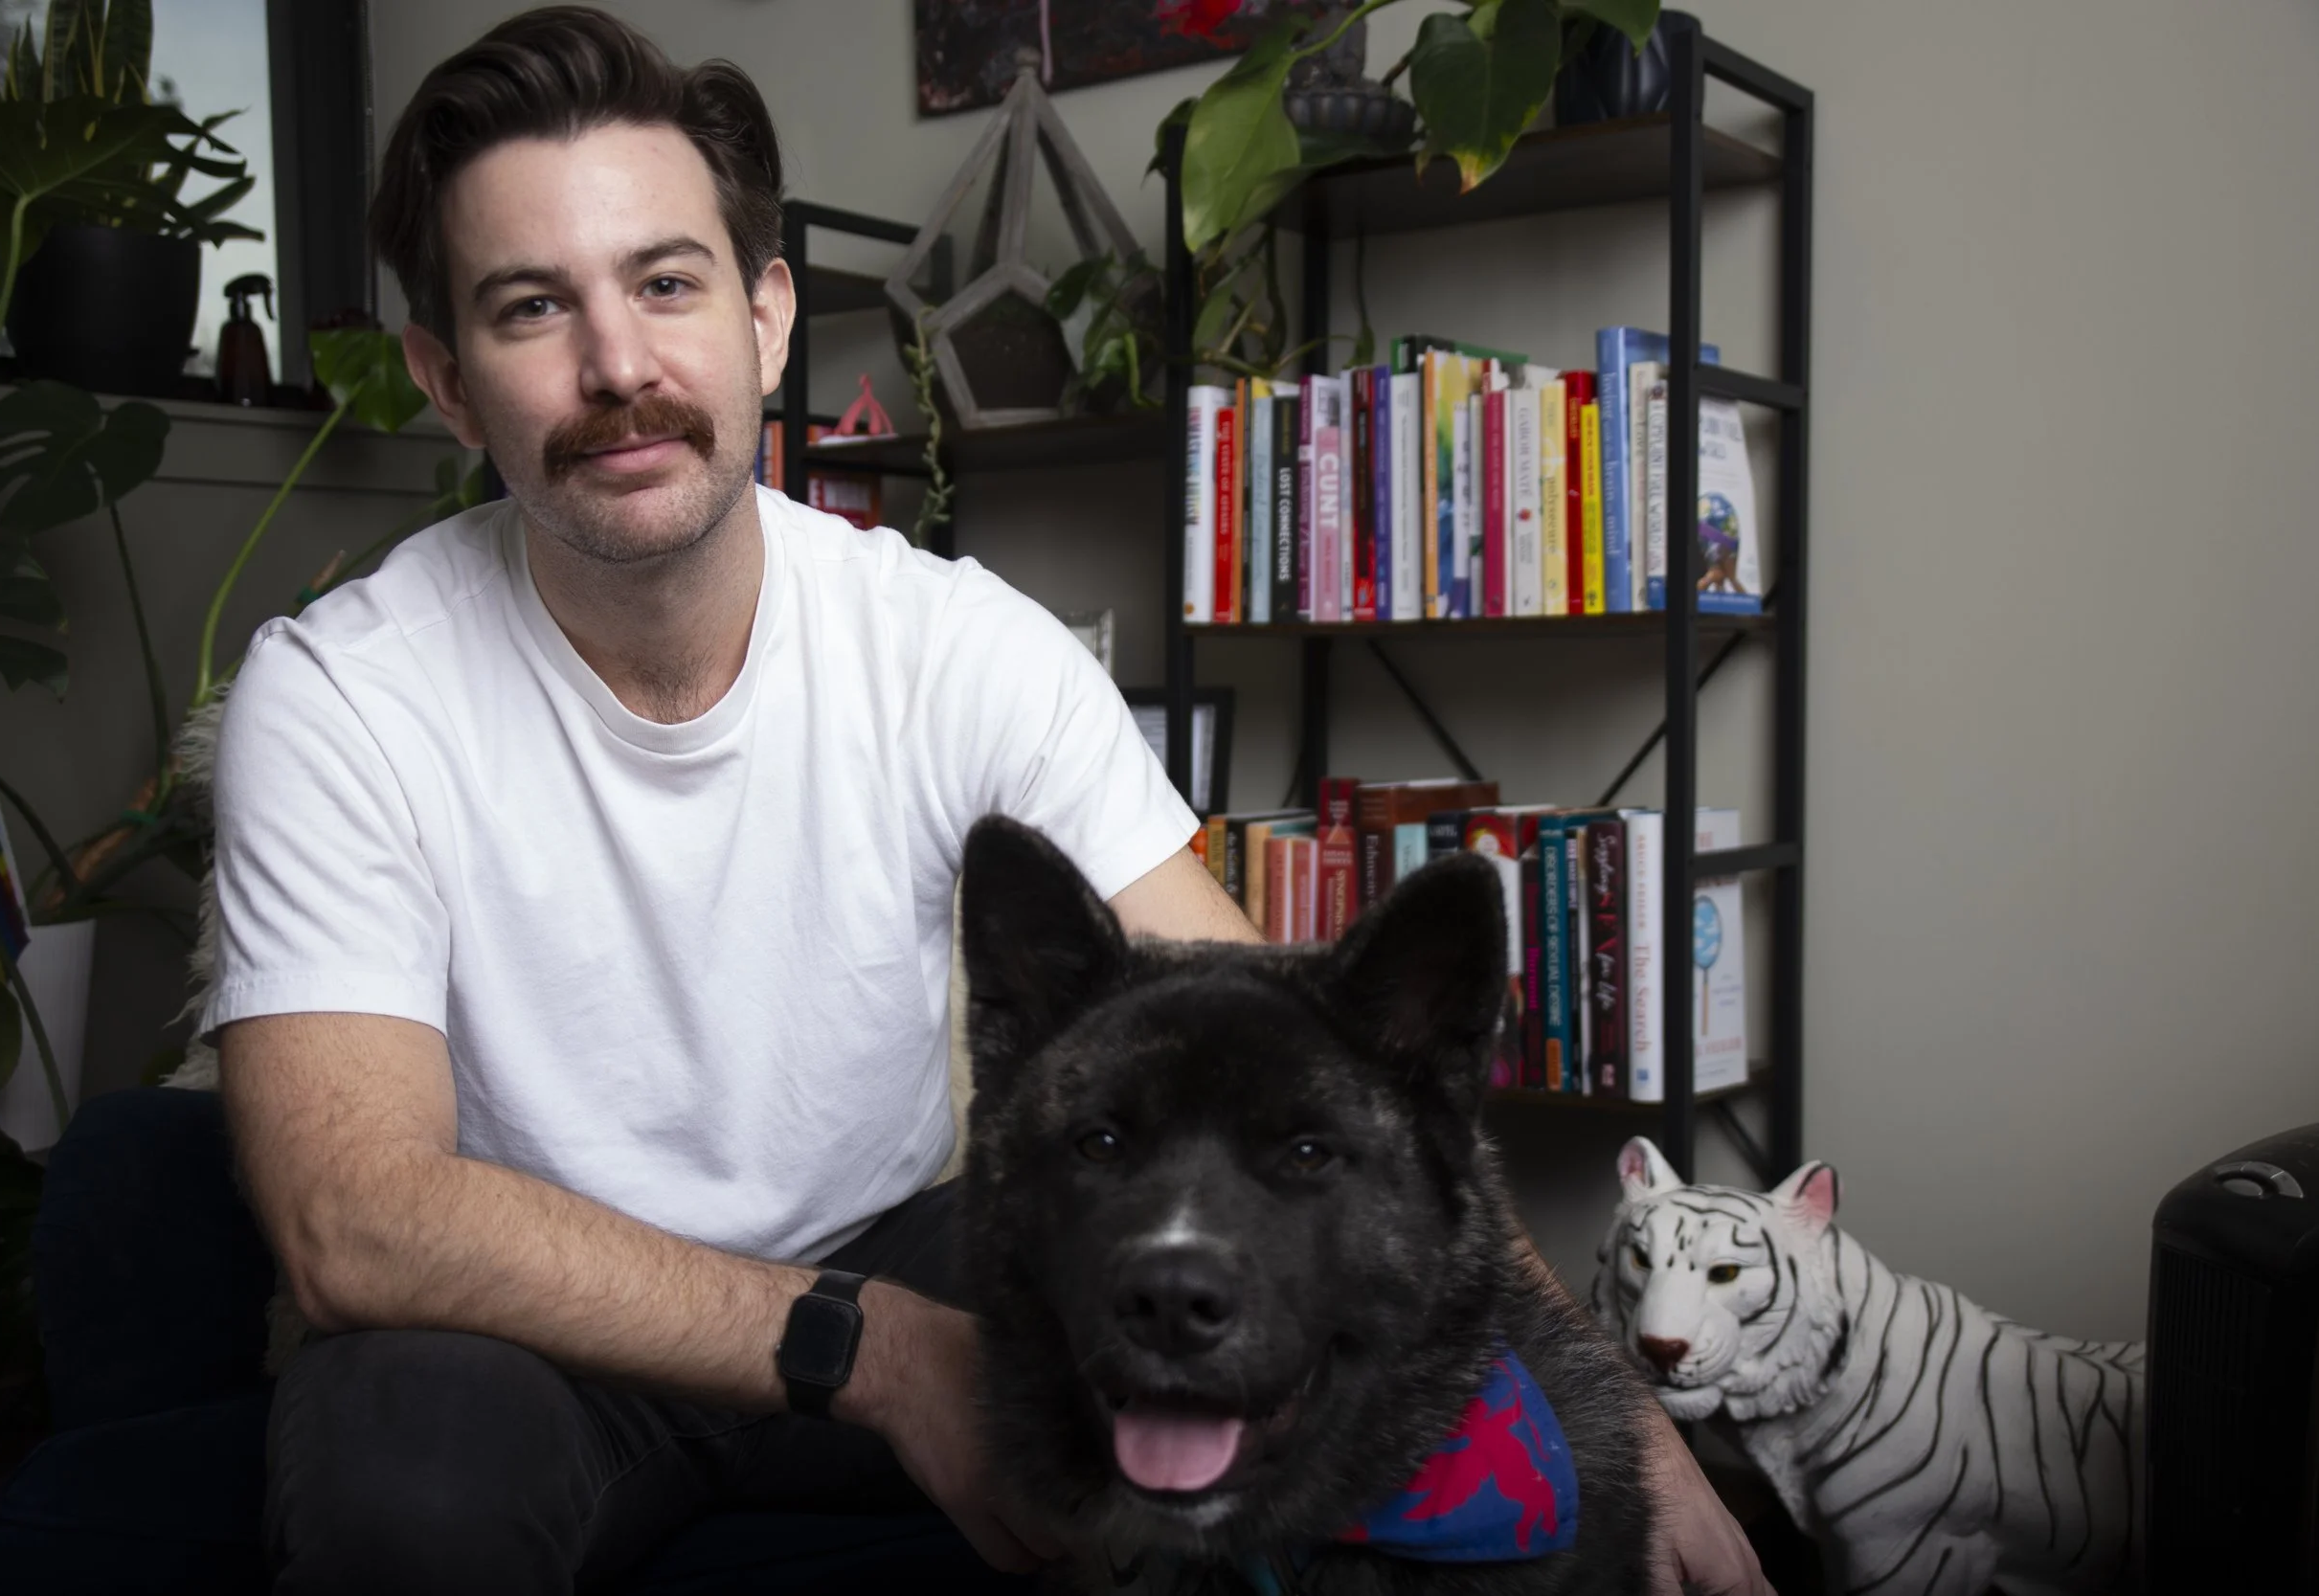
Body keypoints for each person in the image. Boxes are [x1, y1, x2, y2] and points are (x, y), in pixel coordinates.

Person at [207, 9, 1775, 1595]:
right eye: (534, 307)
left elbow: (1307, 1059)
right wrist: (868, 1347)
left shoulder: (955, 646)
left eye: (666, 283)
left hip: (908, 1247)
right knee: (400, 1469)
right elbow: (356, 1217)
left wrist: (1616, 1423)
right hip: (541, 1324)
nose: (619, 366)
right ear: (448, 382)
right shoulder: (341, 695)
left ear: (765, 318)